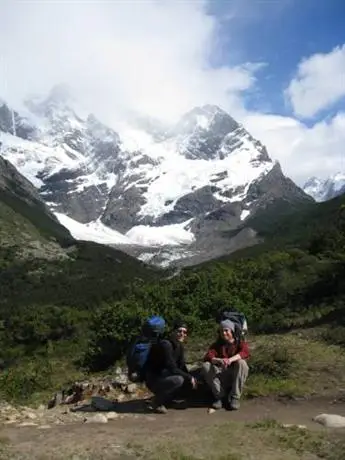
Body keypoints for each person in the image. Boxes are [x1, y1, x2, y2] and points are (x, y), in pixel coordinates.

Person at [144, 320, 197, 414]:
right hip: (154, 379)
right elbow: (172, 368)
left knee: (187, 377)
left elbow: (182, 366)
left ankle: (168, 400)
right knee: (179, 380)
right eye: (179, 331)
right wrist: (188, 377)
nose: (182, 334)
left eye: (184, 332)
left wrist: (192, 379)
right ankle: (157, 402)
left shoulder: (179, 345)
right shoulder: (166, 345)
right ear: (173, 331)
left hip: (165, 376)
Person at [201, 319, 249, 410]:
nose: (224, 333)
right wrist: (219, 360)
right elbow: (208, 356)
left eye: (226, 330)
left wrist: (230, 360)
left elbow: (245, 353)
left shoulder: (240, 343)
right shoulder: (216, 345)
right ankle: (219, 397)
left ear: (232, 331)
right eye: (221, 330)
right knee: (206, 366)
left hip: (234, 375)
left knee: (242, 363)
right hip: (220, 375)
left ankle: (235, 397)